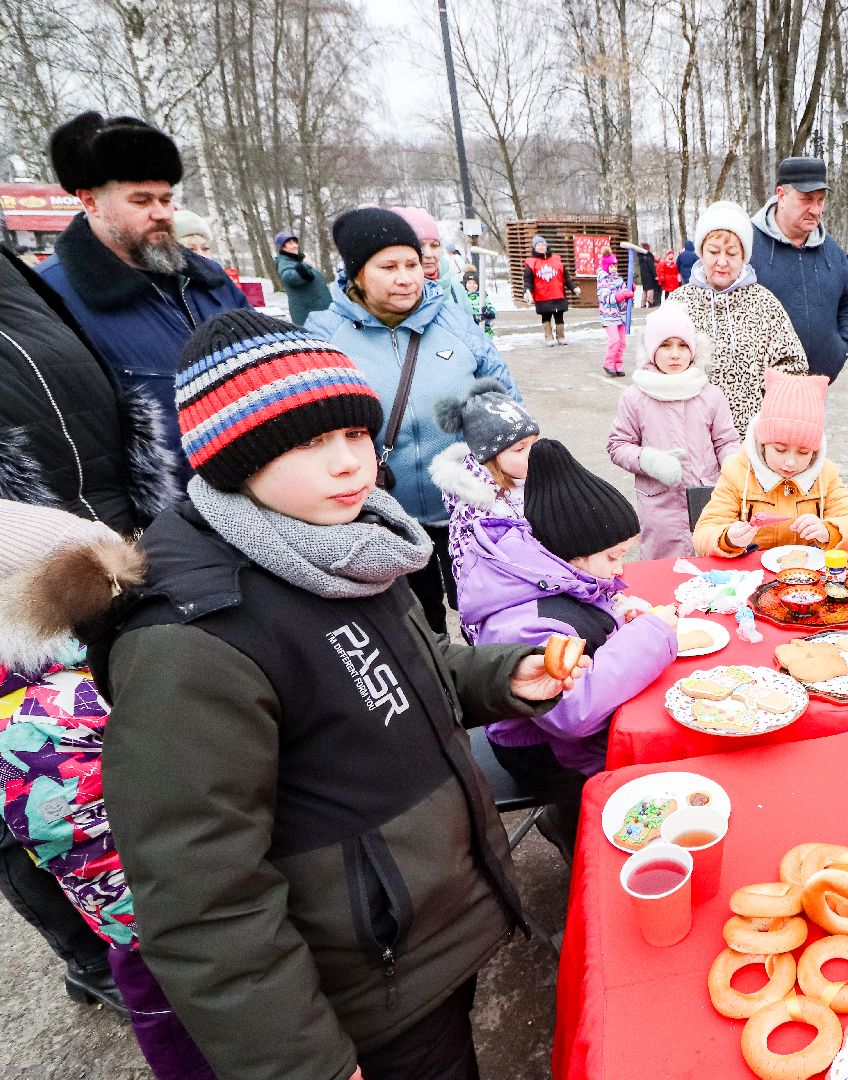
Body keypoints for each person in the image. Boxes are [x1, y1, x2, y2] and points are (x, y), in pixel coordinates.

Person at [90, 311, 583, 1080]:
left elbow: (397, 676)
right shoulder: (191, 643)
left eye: (356, 434)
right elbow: (204, 900)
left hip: (425, 941)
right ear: (232, 456)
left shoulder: (348, 544)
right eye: (310, 443)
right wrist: (302, 1063)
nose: (351, 464)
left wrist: (500, 678)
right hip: (358, 997)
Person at [0, 503, 216, 1078]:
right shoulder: (37, 730)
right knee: (192, 1044)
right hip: (162, 932)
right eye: (98, 583)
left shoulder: (82, 666)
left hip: (183, 897)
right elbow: (98, 865)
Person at [305, 207, 523, 635]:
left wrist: (512, 462)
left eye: (411, 264)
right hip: (382, 512)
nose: (405, 277)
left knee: (486, 604)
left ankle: (487, 676)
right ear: (357, 274)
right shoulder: (323, 336)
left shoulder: (454, 322)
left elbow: (504, 396)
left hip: (467, 502)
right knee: (414, 621)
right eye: (388, 267)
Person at [461, 438, 680, 858]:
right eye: (614, 557)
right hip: (540, 751)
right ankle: (578, 825)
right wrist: (651, 634)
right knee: (658, 760)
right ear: (573, 555)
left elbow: (585, 613)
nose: (621, 569)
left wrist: (618, 617)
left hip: (555, 733)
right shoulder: (523, 619)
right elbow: (572, 712)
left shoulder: (552, 572)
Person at [37, 111, 250, 484]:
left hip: (253, 495)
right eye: (141, 201)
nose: (162, 213)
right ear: (91, 201)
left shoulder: (209, 280)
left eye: (167, 199)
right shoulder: (49, 298)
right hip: (155, 524)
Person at [0, 244, 180, 533]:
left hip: (131, 530)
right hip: (51, 550)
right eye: (141, 200)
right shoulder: (56, 277)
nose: (161, 212)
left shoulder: (21, 279)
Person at [607, 303, 740, 559]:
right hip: (660, 507)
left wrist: (733, 466)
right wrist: (649, 460)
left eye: (682, 346)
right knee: (665, 570)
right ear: (651, 350)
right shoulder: (635, 397)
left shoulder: (710, 395)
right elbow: (618, 445)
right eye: (665, 346)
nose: (675, 354)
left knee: (710, 563)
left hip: (708, 499)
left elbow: (726, 441)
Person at [693, 369, 848, 556]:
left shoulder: (825, 475)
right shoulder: (738, 473)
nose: (790, 463)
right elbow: (703, 532)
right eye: (780, 449)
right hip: (751, 576)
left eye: (803, 452)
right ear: (763, 442)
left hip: (805, 576)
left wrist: (829, 531)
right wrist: (728, 538)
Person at [668, 200, 809, 433]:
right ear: (701, 252)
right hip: (692, 439)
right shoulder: (679, 303)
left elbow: (793, 366)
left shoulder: (764, 303)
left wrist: (767, 413)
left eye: (732, 253)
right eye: (713, 251)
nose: (722, 261)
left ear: (744, 255)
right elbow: (655, 362)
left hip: (751, 442)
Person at [429, 379, 540, 640]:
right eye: (520, 449)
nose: (533, 454)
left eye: (534, 443)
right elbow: (476, 587)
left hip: (540, 607)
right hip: (505, 626)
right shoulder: (474, 515)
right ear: (489, 456)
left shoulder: (530, 481)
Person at [750, 157, 848, 381]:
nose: (816, 209)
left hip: (816, 388)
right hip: (757, 393)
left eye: (821, 200)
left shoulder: (832, 250)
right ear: (781, 196)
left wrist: (843, 345)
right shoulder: (747, 245)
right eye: (806, 199)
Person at [274, 230, 334, 326]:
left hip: (319, 314)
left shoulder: (296, 261)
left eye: (295, 242)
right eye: (290, 243)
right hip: (309, 316)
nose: (295, 245)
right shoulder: (284, 262)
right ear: (283, 247)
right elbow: (288, 278)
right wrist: (305, 265)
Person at [523, 234, 575, 345]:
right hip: (542, 296)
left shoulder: (557, 260)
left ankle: (561, 336)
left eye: (542, 244)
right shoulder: (532, 264)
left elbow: (566, 277)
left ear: (546, 246)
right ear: (534, 248)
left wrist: (573, 288)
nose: (541, 247)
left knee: (559, 317)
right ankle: (548, 336)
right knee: (546, 317)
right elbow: (528, 281)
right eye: (538, 245)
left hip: (558, 294)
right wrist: (527, 291)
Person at [596, 248, 634, 377]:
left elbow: (624, 290)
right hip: (609, 315)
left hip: (620, 315)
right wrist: (621, 295)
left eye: (615, 266)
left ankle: (618, 365)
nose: (613, 269)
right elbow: (605, 298)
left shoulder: (618, 279)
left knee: (622, 342)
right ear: (606, 266)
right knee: (615, 340)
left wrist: (630, 288)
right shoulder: (603, 281)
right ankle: (608, 363)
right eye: (611, 266)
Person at [461, 267, 496, 336]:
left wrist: (488, 313)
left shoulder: (483, 297)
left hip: (485, 332)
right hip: (470, 333)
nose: (472, 285)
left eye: (474, 283)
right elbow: (461, 315)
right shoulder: (463, 298)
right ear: (465, 284)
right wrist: (474, 318)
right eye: (469, 283)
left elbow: (493, 312)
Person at [635, 243, 661, 307]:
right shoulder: (648, 256)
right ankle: (650, 302)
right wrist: (655, 275)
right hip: (650, 276)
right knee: (650, 289)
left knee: (645, 289)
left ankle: (643, 304)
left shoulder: (640, 256)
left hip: (643, 276)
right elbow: (651, 266)